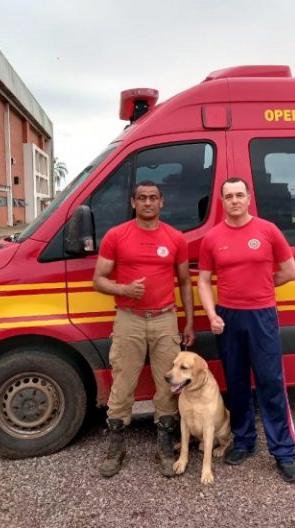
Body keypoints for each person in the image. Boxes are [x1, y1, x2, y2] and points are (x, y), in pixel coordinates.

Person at [197, 177, 295, 483]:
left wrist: (265, 289)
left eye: (239, 195)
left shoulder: (268, 230)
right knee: (237, 382)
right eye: (228, 196)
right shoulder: (212, 238)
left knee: (271, 382)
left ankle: (284, 453)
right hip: (229, 317)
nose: (234, 200)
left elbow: (289, 271)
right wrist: (212, 313)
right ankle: (244, 441)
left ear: (249, 198)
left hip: (262, 315)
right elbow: (204, 280)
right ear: (222, 201)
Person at [93, 180, 195, 478]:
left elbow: (185, 282)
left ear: (161, 202)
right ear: (133, 203)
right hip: (129, 318)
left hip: (165, 318)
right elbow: (98, 279)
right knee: (123, 383)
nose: (148, 202)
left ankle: (164, 446)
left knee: (169, 384)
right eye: (142, 198)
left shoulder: (176, 238)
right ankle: (116, 447)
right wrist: (124, 289)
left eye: (153, 198)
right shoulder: (116, 236)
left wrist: (188, 321)